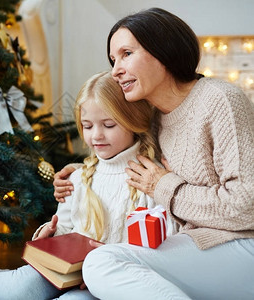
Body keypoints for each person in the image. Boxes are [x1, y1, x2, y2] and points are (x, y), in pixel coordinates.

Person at [54, 7, 254, 300]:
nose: (115, 70)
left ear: (163, 51)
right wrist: (83, 171)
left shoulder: (220, 100)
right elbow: (134, 164)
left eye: (126, 54)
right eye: (113, 59)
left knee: (101, 262)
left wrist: (165, 188)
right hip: (191, 248)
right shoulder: (156, 118)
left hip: (239, 245)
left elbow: (246, 206)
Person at [0, 71, 175, 300]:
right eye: (87, 126)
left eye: (109, 125)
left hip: (110, 280)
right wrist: (50, 238)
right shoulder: (79, 177)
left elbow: (160, 247)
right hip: (67, 272)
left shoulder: (149, 178)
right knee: (19, 284)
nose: (96, 135)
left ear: (133, 121)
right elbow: (65, 228)